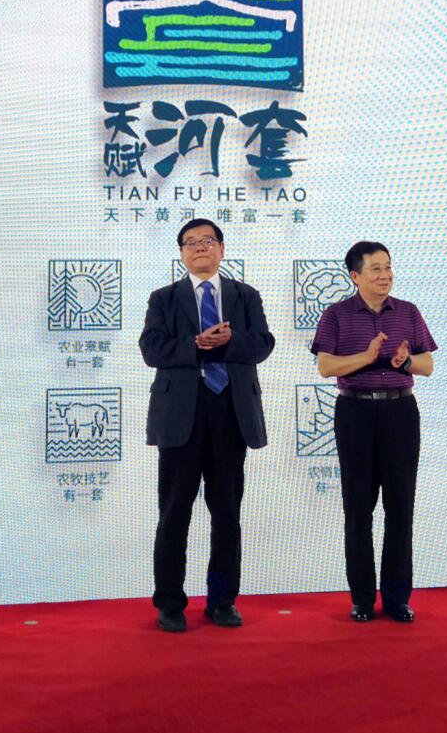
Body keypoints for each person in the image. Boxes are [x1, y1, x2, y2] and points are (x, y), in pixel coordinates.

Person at [139, 218, 275, 633]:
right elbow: (151, 349)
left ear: (222, 248)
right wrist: (196, 344)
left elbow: (263, 343)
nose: (200, 247)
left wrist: (230, 341)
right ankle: (170, 604)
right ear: (182, 253)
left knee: (227, 514)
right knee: (174, 513)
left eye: (208, 240)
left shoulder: (244, 295)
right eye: (191, 242)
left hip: (231, 413)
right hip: (181, 415)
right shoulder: (164, 298)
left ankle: (222, 601)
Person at [311, 241, 436, 623]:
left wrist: (406, 360)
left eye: (388, 267)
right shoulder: (336, 315)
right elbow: (326, 366)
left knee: (400, 507)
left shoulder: (408, 312)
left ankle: (397, 599)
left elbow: (427, 365)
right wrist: (366, 357)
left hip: (400, 411)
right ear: (355, 276)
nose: (385, 275)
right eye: (376, 269)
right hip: (356, 412)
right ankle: (362, 599)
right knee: (358, 508)